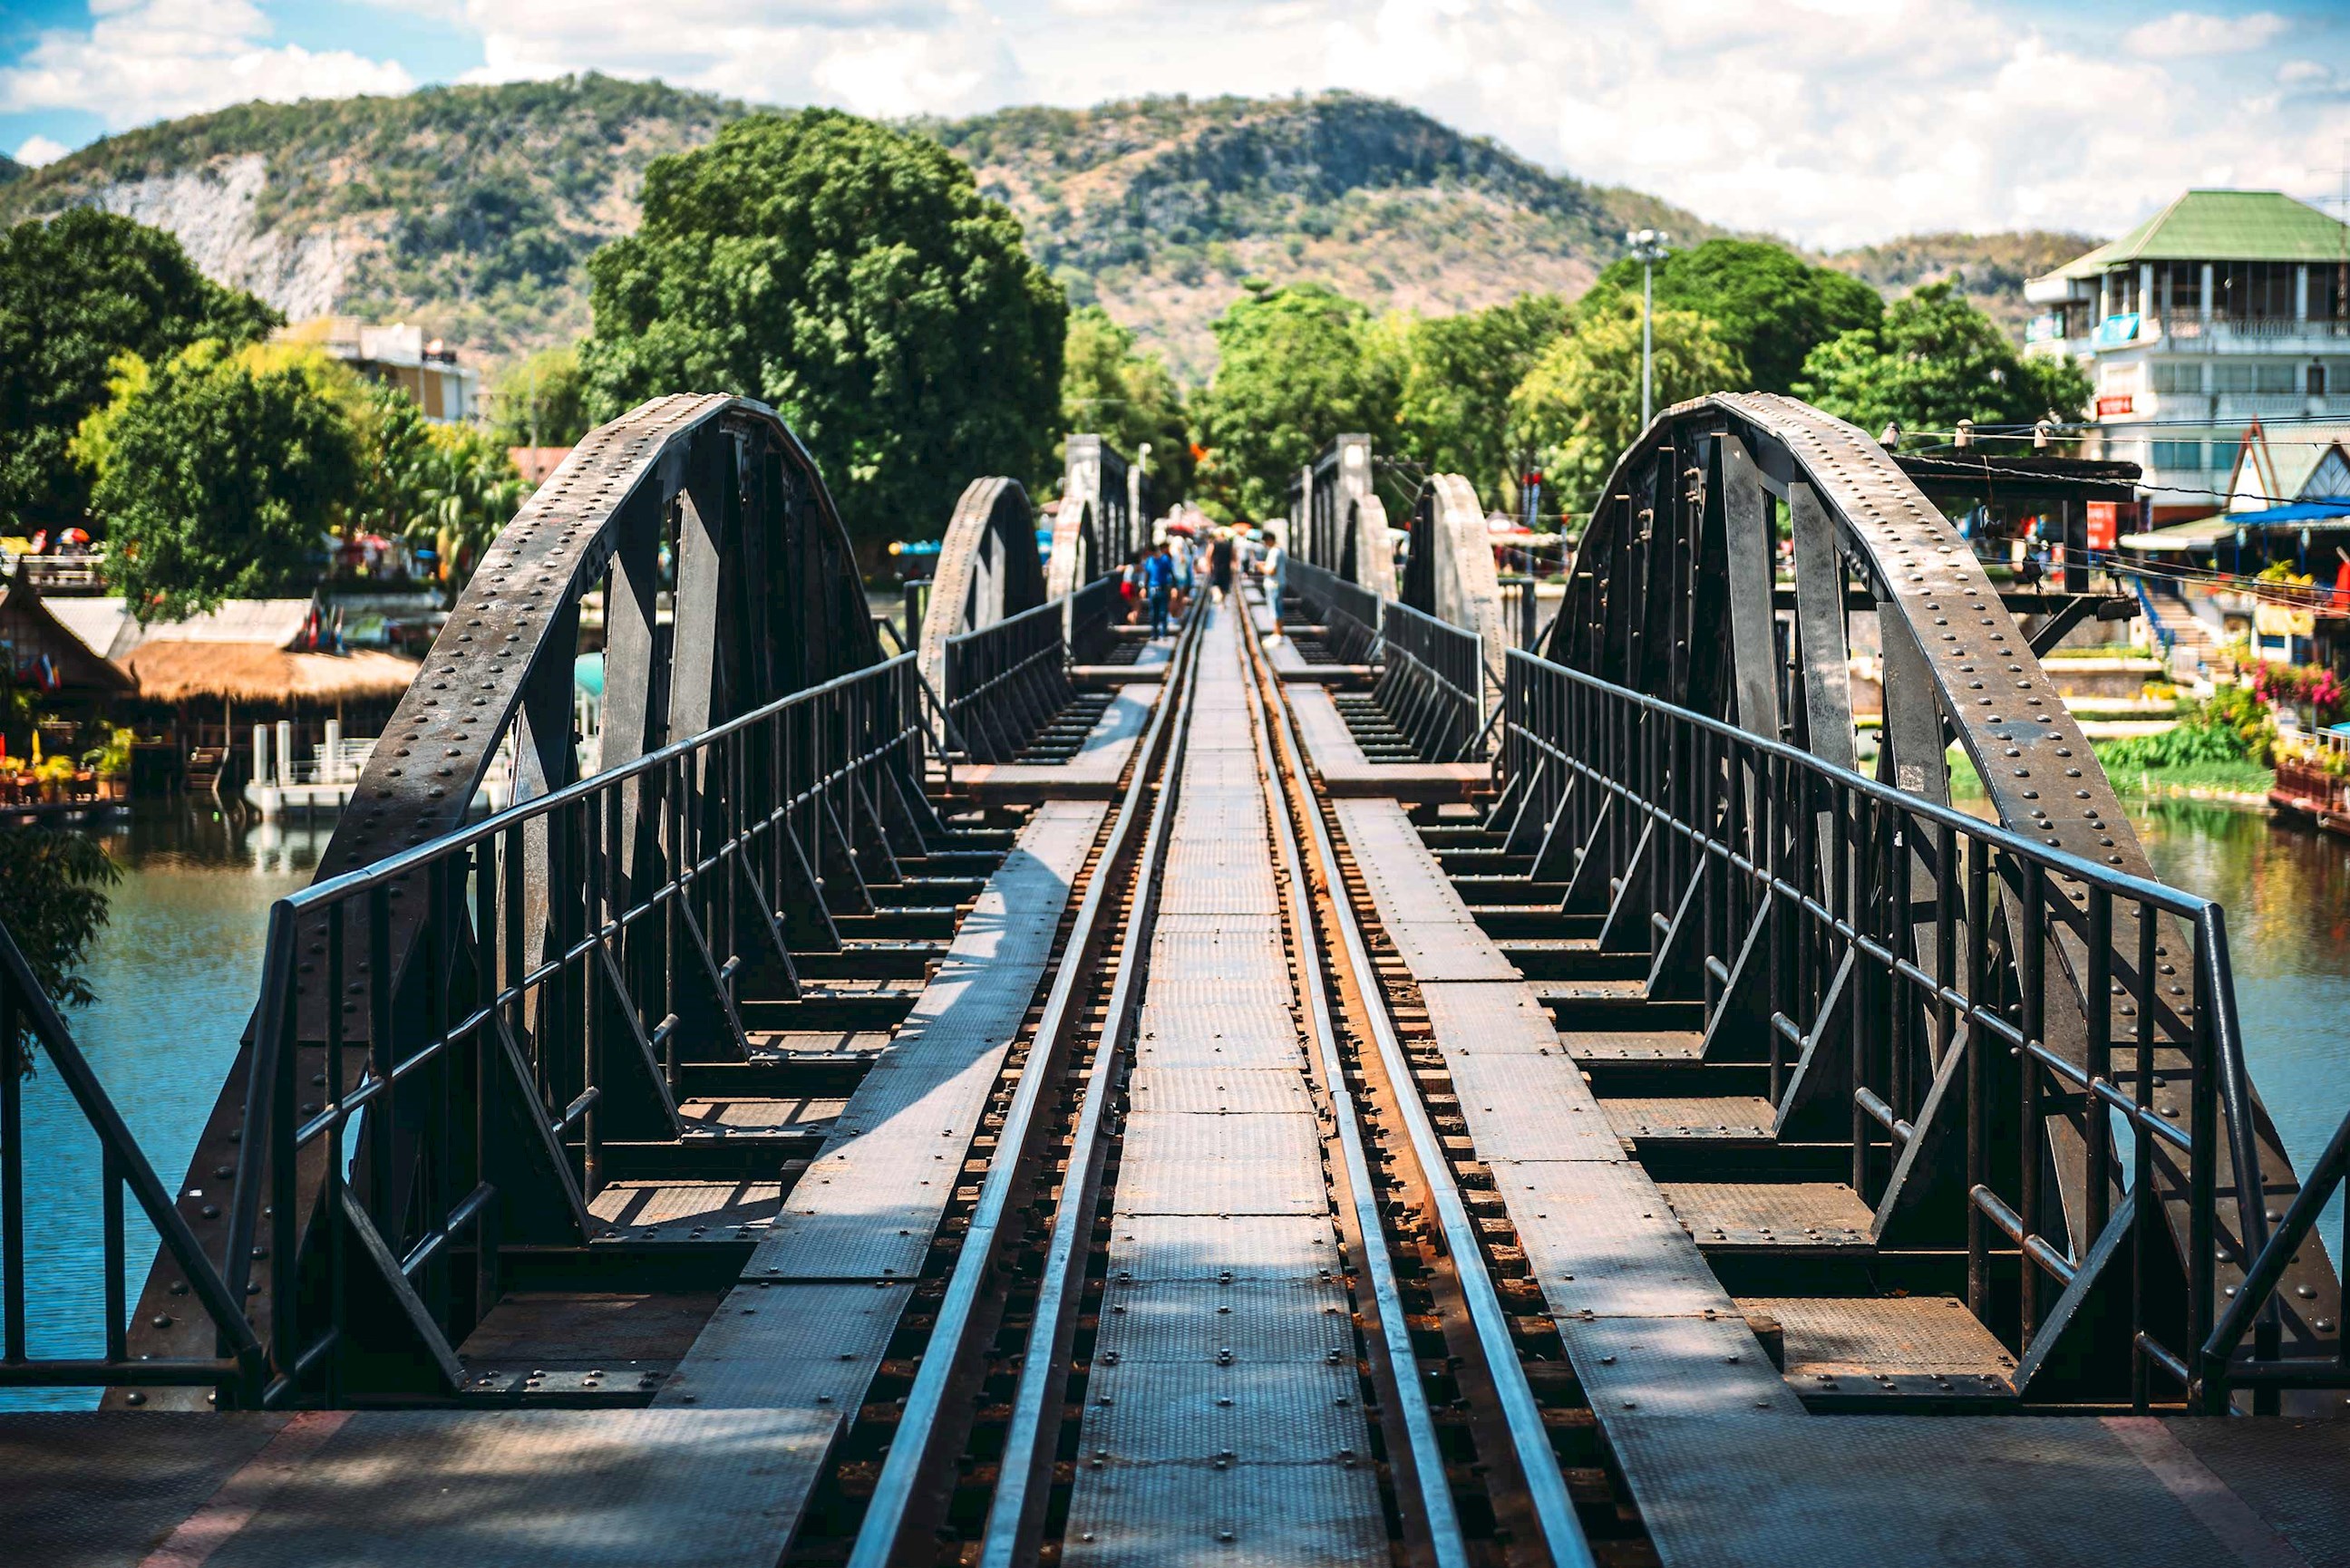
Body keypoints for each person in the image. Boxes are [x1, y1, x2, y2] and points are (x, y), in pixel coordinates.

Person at [1143, 540, 1177, 637]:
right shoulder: (1150, 560)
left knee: (1163, 611)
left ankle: (1163, 631)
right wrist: (1144, 588)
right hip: (1152, 588)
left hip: (1163, 587)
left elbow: (1171, 573)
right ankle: (1154, 632)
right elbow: (1147, 574)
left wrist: (1174, 587)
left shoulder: (1165, 559)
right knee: (1153, 611)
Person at [1257, 528, 1287, 624]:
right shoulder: (1280, 550)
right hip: (1279, 582)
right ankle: (1277, 633)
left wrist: (1260, 567)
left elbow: (1271, 571)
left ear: (1269, 539)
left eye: (1265, 541)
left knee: (1275, 609)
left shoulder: (1274, 551)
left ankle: (1277, 634)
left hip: (1274, 583)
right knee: (1277, 608)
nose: (1265, 544)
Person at [1209, 528, 1236, 600]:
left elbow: (1209, 556)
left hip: (1216, 567)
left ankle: (1218, 597)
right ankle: (1222, 604)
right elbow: (1234, 556)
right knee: (1224, 588)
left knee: (1215, 585)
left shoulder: (1213, 544)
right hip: (1226, 568)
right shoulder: (1229, 544)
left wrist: (1209, 566)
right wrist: (1234, 567)